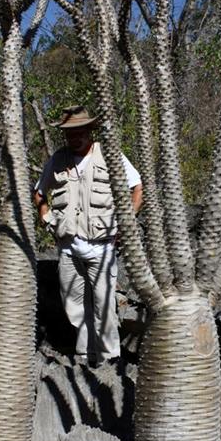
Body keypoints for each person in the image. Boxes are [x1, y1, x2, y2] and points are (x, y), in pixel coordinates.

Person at [34, 106, 143, 367]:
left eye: (79, 132)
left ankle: (110, 362)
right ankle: (85, 357)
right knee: (74, 306)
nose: (74, 138)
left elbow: (137, 187)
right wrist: (48, 219)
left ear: (89, 132)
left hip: (102, 248)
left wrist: (124, 225)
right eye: (69, 133)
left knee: (104, 306)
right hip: (69, 249)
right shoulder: (58, 160)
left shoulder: (109, 155)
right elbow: (39, 193)